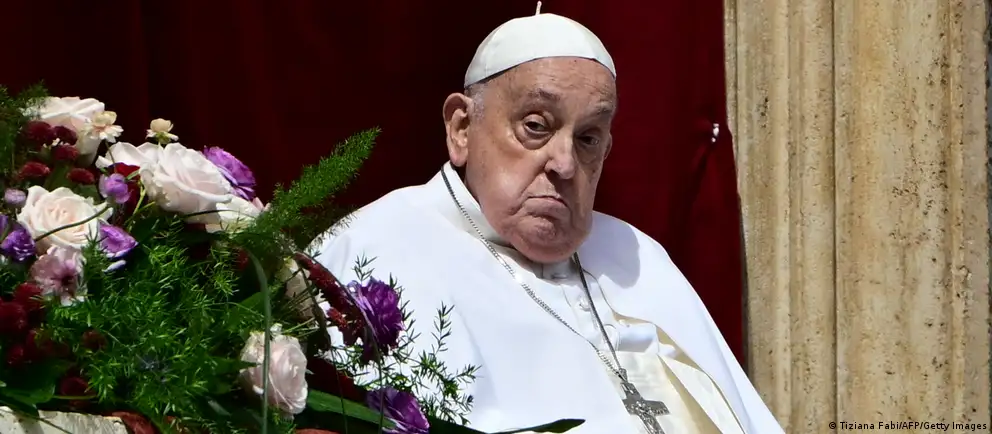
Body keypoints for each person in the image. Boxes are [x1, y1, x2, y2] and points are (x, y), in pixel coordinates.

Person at [311, 7, 784, 434]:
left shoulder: (639, 257)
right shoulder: (377, 248)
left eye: (588, 138)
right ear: (461, 128)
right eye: (536, 126)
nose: (564, 164)